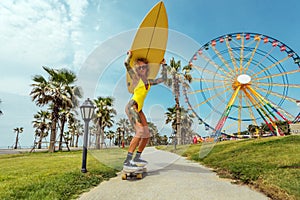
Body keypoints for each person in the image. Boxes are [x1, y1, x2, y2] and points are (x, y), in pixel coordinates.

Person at [123, 51, 167, 171]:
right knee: (140, 131)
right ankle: (127, 161)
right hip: (132, 106)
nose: (142, 69)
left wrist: (164, 65)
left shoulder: (149, 82)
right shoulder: (136, 78)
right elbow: (126, 64)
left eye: (144, 67)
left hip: (139, 109)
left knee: (147, 135)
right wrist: (130, 55)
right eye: (139, 67)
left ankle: (137, 157)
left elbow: (163, 78)